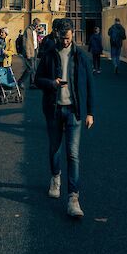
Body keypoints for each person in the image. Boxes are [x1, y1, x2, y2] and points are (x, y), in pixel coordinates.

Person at [35, 18, 95, 218]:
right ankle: (55, 177)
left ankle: (73, 198)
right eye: (63, 37)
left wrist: (90, 112)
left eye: (69, 38)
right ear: (57, 35)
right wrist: (53, 83)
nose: (66, 41)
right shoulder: (49, 54)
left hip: (74, 111)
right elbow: (37, 80)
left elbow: (90, 86)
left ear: (73, 36)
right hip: (53, 109)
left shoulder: (81, 56)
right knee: (54, 149)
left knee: (73, 154)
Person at [18, 17, 41, 89]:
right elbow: (27, 43)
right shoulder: (28, 30)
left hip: (34, 51)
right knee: (30, 68)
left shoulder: (34, 31)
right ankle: (21, 81)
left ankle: (32, 83)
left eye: (38, 25)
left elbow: (35, 40)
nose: (38, 26)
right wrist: (28, 53)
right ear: (34, 24)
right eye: (37, 25)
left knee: (34, 68)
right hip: (30, 52)